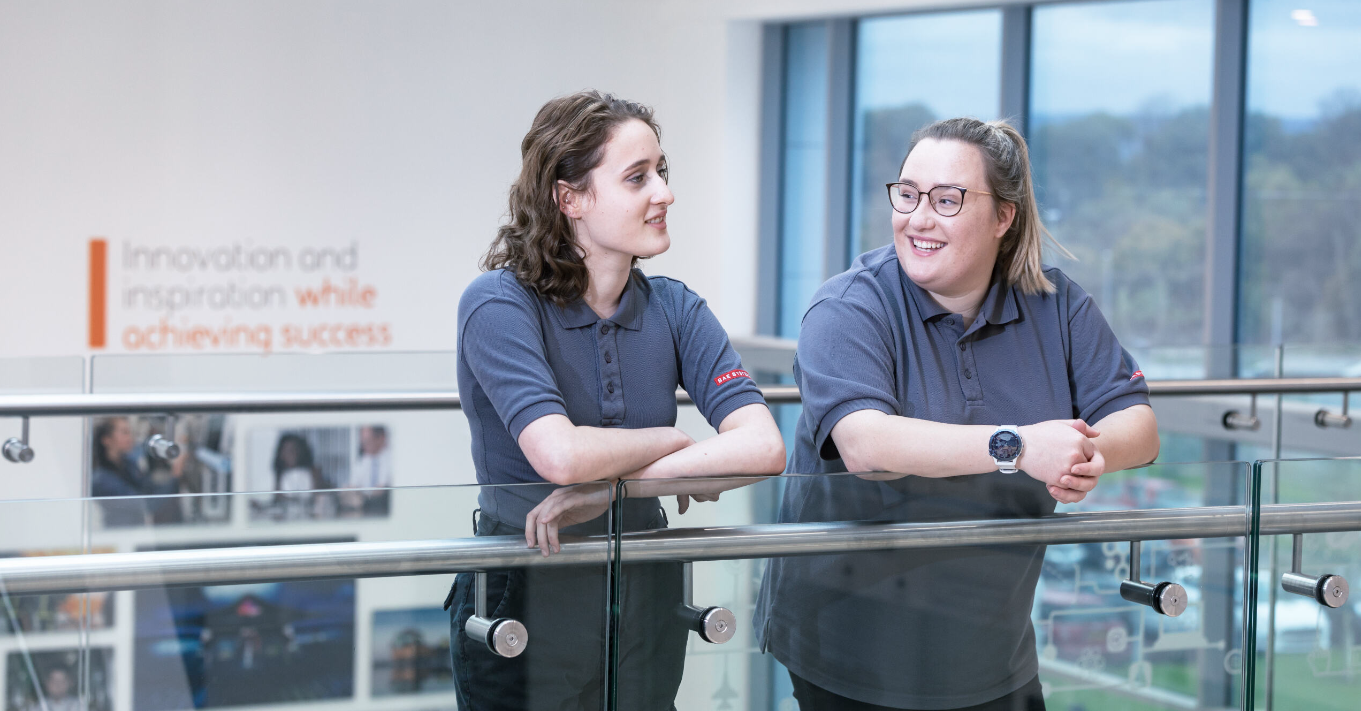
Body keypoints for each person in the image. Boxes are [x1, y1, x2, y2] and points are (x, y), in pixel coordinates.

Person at [753, 117, 1159, 711]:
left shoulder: (1058, 305)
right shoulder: (848, 307)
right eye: (908, 195)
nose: (918, 218)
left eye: (947, 200)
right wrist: (1019, 447)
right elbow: (866, 446)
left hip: (993, 655)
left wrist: (1082, 456)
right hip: (851, 655)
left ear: (1003, 217)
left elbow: (1138, 427)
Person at [449, 90, 786, 711]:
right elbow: (560, 457)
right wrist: (673, 442)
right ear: (570, 198)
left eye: (662, 171)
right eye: (638, 177)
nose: (665, 193)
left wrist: (615, 489)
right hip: (525, 583)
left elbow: (764, 447)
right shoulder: (498, 303)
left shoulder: (677, 307)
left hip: (645, 579)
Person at [90, 417, 182, 527]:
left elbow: (149, 487)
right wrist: (175, 475)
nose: (130, 438)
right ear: (106, 440)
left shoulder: (128, 465)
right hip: (119, 534)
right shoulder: (101, 479)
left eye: (130, 433)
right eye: (125, 433)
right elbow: (146, 505)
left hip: (136, 531)